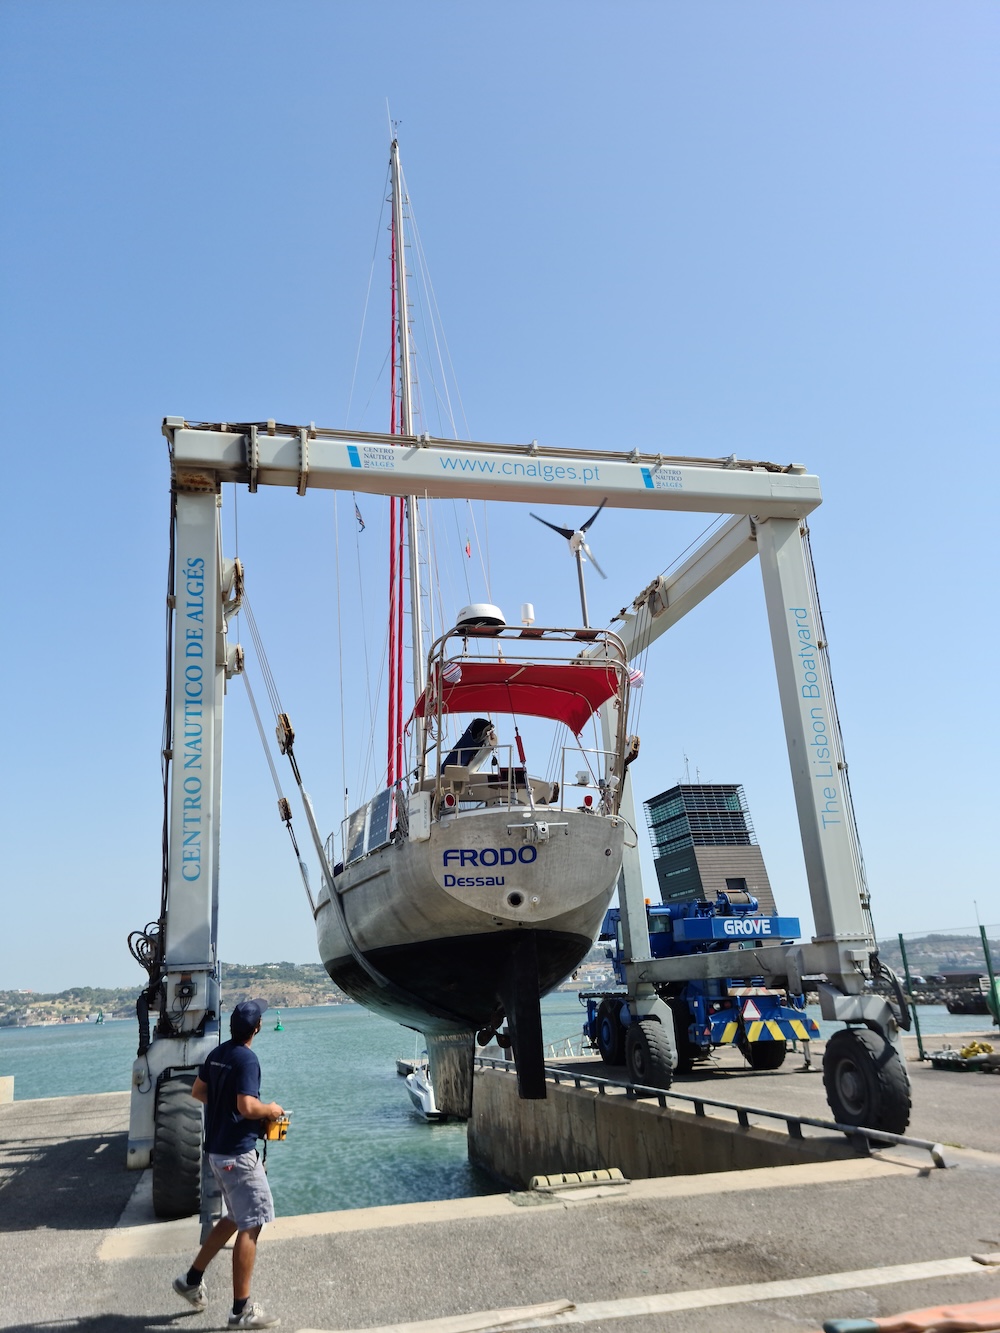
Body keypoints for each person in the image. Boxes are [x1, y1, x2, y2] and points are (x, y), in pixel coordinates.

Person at [172, 998, 284, 1329]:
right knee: (252, 1224)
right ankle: (240, 1312)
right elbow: (249, 1106)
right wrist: (271, 1110)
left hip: (217, 1152)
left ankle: (191, 1279)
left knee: (234, 1217)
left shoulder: (218, 1054)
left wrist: (227, 1109)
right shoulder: (247, 1059)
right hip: (237, 1155)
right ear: (257, 1028)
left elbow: (198, 1091)